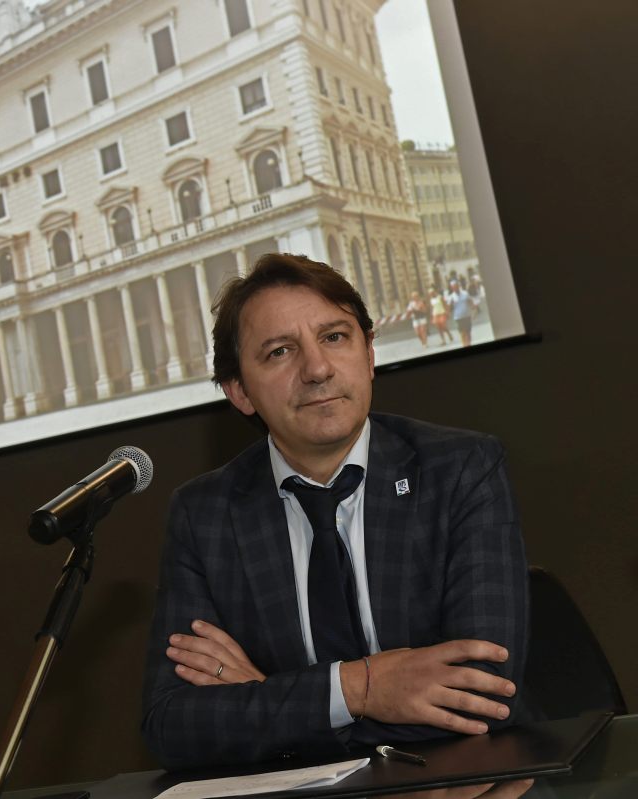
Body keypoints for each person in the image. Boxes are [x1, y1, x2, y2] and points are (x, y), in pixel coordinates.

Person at [142, 253, 528, 769]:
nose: (317, 369)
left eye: (335, 337)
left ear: (369, 355)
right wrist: (357, 689)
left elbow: (483, 697)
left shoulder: (459, 469)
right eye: (280, 351)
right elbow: (173, 725)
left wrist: (270, 695)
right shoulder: (205, 514)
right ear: (240, 391)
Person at [447, 278, 479, 348]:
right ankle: (464, 345)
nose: (455, 288)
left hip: (467, 316)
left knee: (468, 332)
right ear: (452, 288)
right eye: (453, 287)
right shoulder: (451, 297)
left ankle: (468, 344)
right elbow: (449, 308)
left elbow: (471, 303)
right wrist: (448, 313)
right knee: (462, 333)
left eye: (456, 286)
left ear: (458, 286)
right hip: (458, 317)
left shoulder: (465, 293)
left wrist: (474, 310)